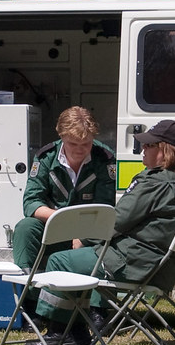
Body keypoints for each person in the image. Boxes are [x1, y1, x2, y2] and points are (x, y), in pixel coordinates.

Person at [30, 119, 175, 345]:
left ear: (164, 151)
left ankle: (64, 332)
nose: (142, 150)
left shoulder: (152, 184)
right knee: (80, 262)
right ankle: (77, 327)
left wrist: (83, 239)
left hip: (132, 264)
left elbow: (114, 222)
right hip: (164, 268)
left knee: (61, 260)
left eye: (149, 146)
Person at [11, 106, 117, 273]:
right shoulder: (46, 157)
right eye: (72, 143)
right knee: (25, 228)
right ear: (61, 136)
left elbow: (105, 207)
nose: (79, 149)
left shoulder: (105, 158)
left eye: (86, 144)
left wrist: (83, 235)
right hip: (53, 226)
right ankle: (29, 289)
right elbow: (31, 202)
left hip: (89, 231)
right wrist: (61, 219)